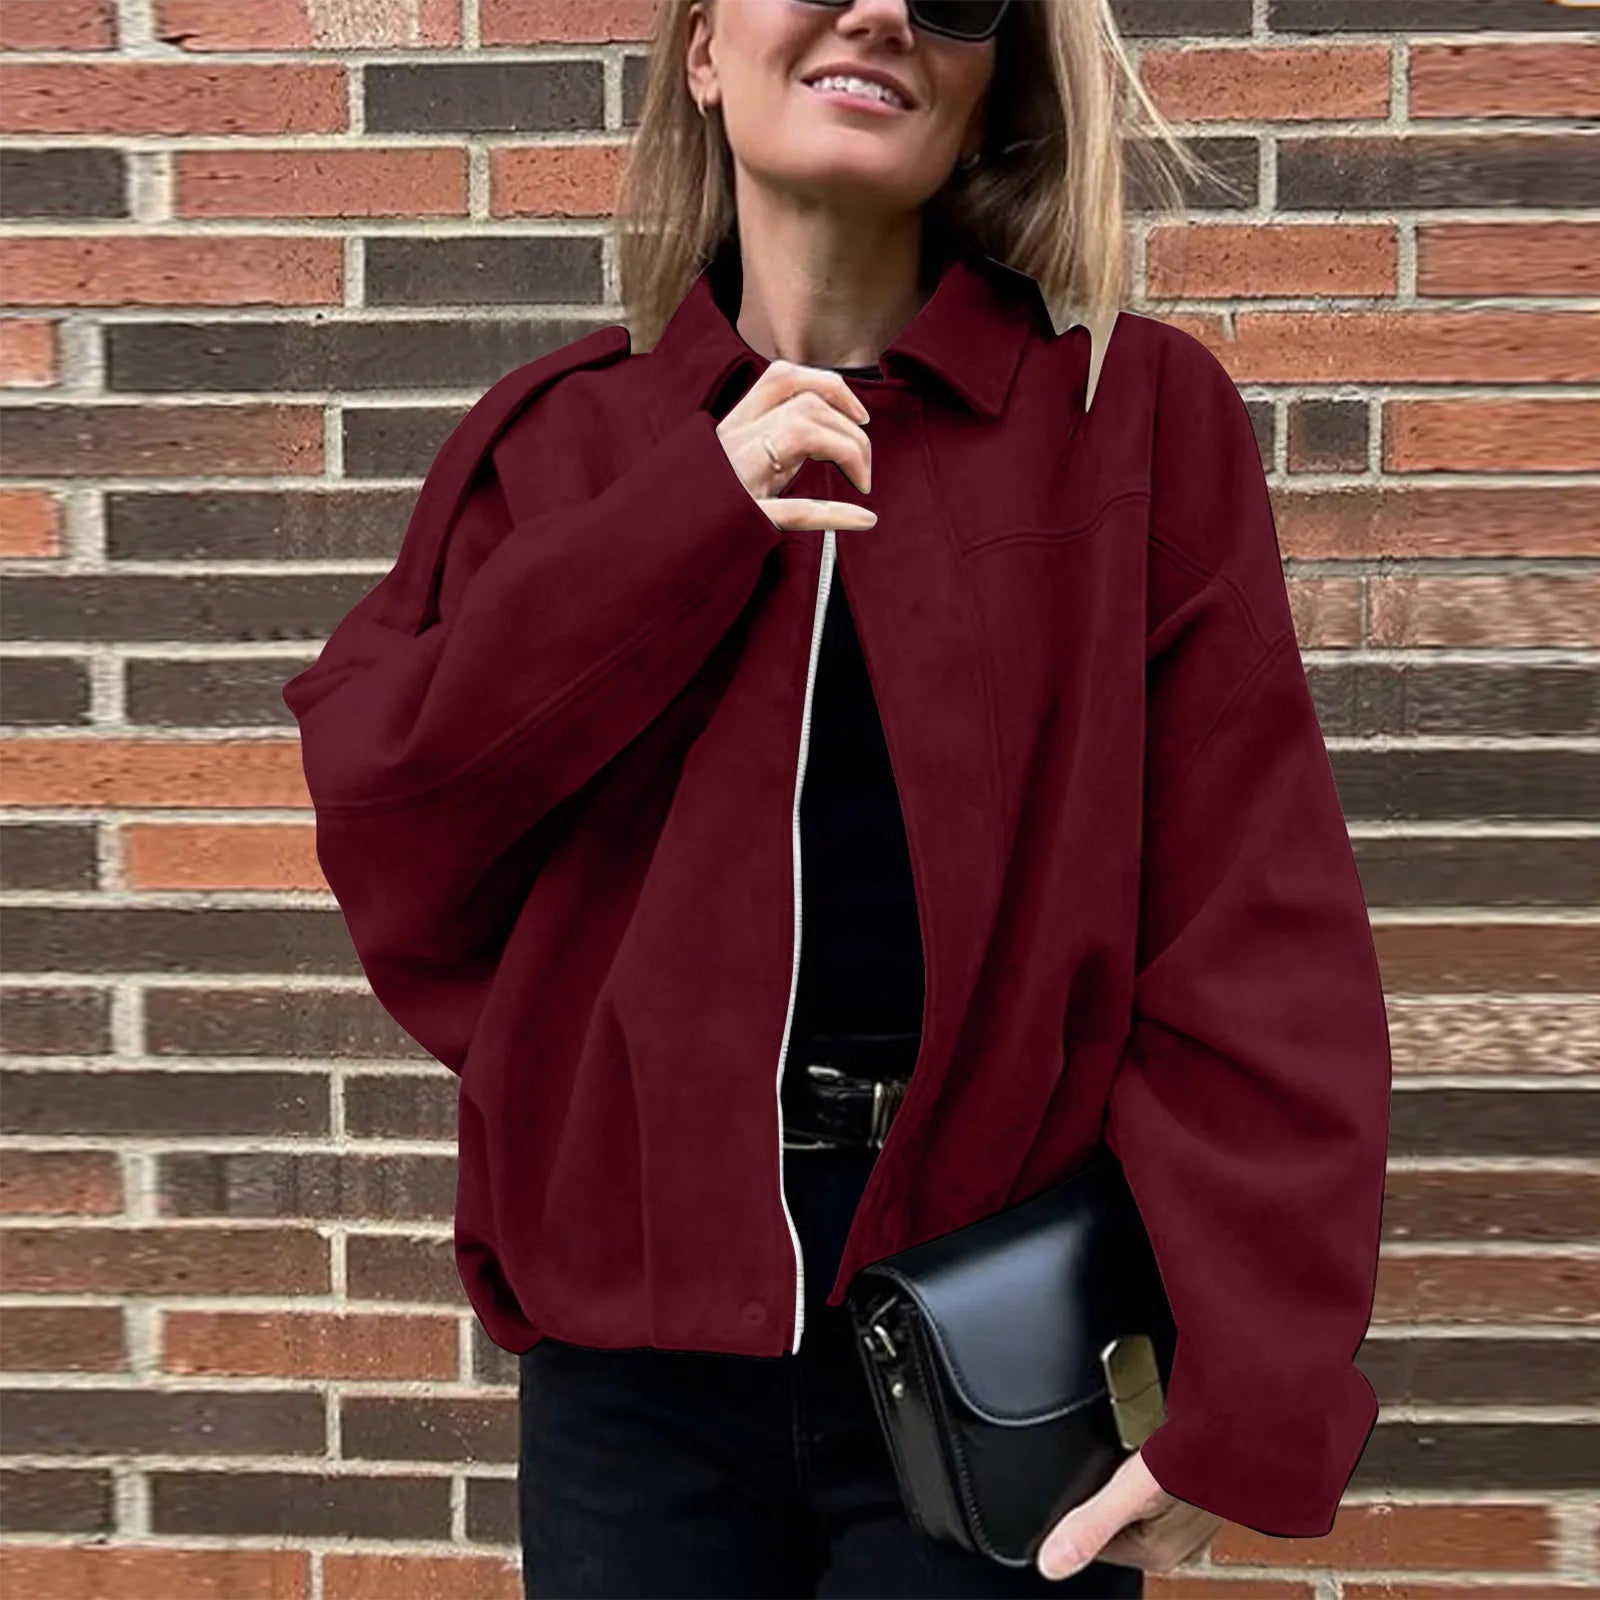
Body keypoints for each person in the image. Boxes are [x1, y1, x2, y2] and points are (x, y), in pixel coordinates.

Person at [282, 1, 1394, 1595]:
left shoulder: (1128, 428)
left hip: (994, 1350)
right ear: (702, 51)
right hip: (632, 1377)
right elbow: (403, 817)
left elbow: (1252, 929)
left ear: (991, 89)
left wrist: (1251, 1387)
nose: (877, 7)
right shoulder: (561, 447)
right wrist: (691, 511)